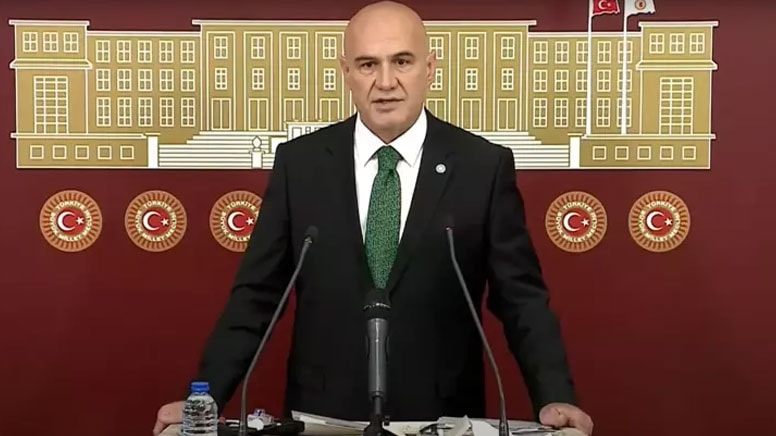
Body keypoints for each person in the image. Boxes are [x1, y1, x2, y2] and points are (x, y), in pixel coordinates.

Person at [153, 1, 593, 435]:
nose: (386, 82)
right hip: (324, 417)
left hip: (442, 418)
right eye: (368, 65)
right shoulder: (301, 164)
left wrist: (555, 395)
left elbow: (521, 299)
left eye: (402, 61)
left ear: (429, 68)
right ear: (346, 72)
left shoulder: (483, 166)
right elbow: (256, 296)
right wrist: (205, 396)